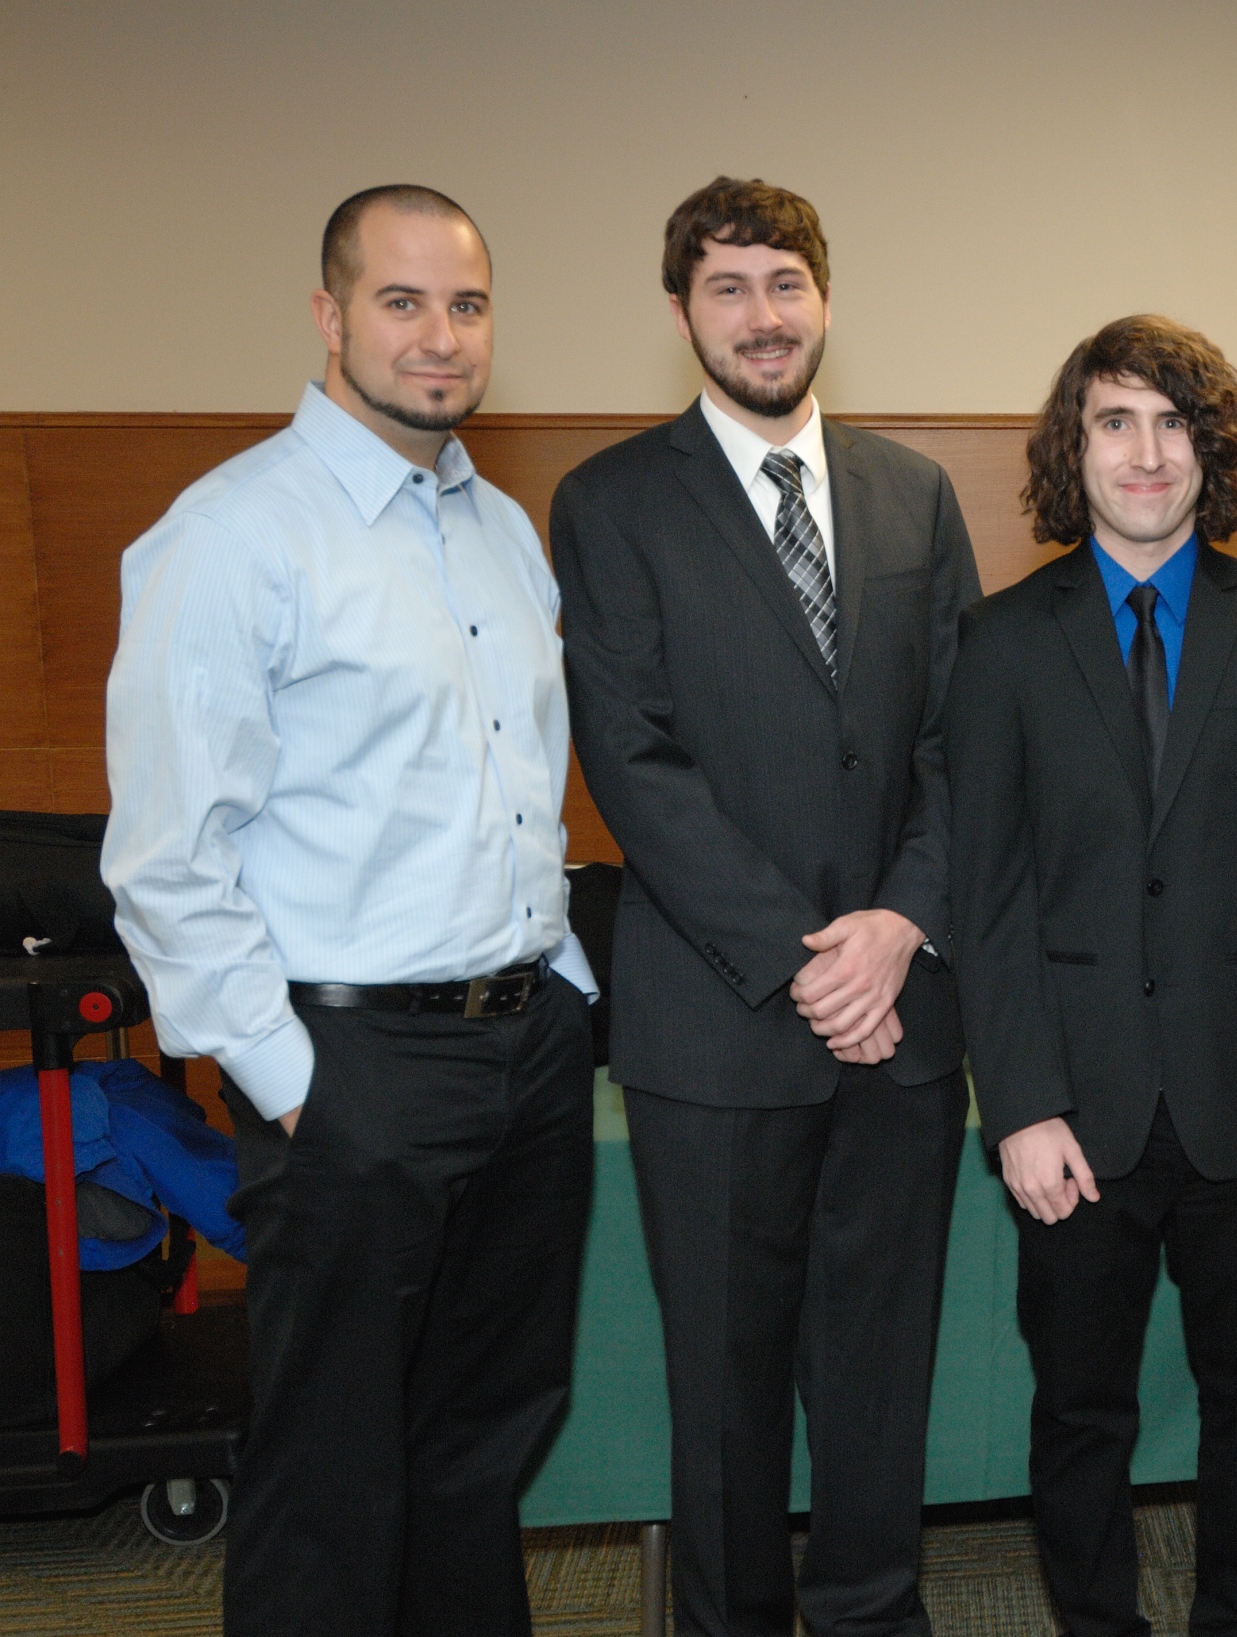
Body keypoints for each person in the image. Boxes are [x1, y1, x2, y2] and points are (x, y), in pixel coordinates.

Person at [101, 184, 599, 1637]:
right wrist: (290, 1079)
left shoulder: (502, 531)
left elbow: (521, 788)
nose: (440, 336)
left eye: (467, 305)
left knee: (481, 1451)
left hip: (527, 1050)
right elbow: (166, 856)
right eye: (401, 302)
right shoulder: (231, 534)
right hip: (352, 1068)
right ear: (329, 318)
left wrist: (563, 990)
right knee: (330, 1474)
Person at [550, 176, 981, 1637]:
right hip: (716, 1022)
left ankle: (872, 1614)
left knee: (880, 1371)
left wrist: (899, 924)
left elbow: (959, 743)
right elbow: (632, 759)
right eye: (727, 287)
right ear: (682, 313)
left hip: (901, 1018)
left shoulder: (912, 492)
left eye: (785, 282)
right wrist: (804, 960)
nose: (762, 315)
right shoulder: (611, 501)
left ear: (826, 299)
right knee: (726, 1383)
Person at [947, 314, 1237, 1637]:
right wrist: (1018, 1104)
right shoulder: (1000, 642)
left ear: (1211, 450)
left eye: (1175, 423)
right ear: (1074, 448)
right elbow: (987, 900)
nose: (1146, 452)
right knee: (1081, 1411)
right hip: (1073, 1114)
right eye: (1115, 421)